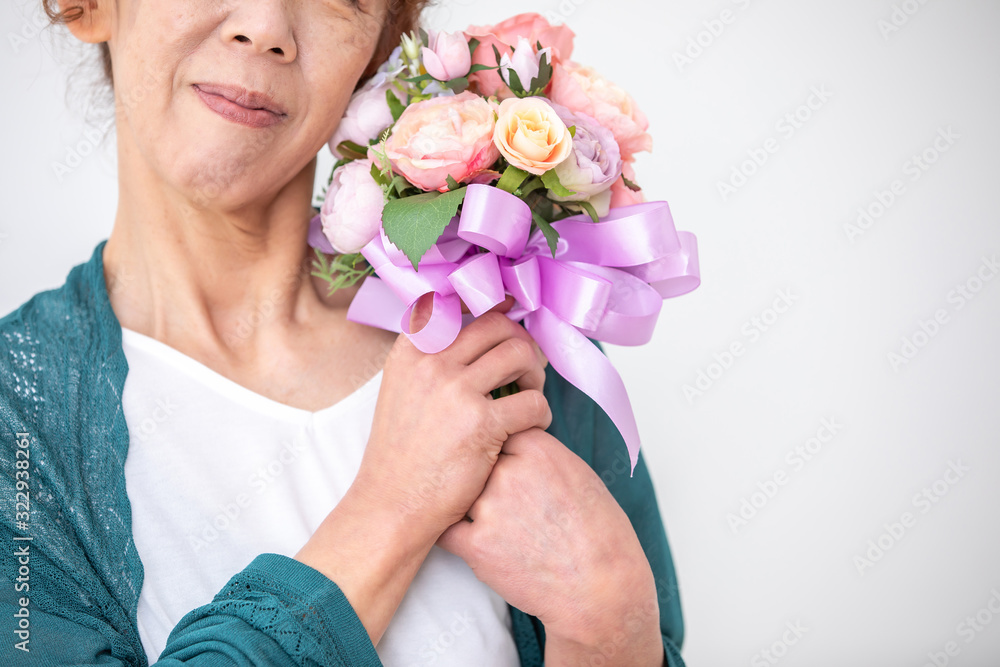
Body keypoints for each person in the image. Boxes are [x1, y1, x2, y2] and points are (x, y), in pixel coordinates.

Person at [0, 0, 685, 665]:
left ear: (379, 46)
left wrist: (611, 623)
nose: (265, 26)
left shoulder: (506, 320)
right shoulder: (16, 426)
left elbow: (629, 629)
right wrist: (394, 507)